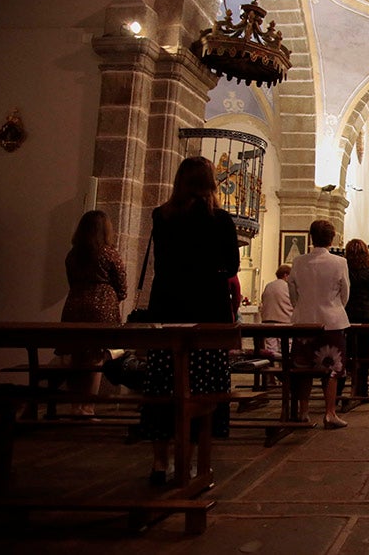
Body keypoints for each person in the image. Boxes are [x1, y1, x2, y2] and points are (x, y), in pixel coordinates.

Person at [141, 156, 240, 486]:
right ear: (210, 183)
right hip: (206, 310)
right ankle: (199, 463)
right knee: (204, 388)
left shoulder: (162, 216)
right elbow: (231, 267)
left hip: (168, 307)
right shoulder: (220, 220)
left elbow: (162, 262)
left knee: (163, 385)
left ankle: (160, 462)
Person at [59, 210, 128, 417]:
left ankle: (75, 406)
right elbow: (122, 284)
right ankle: (88, 407)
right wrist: (114, 295)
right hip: (101, 304)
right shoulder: (108, 253)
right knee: (95, 356)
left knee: (77, 355)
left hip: (75, 303)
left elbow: (71, 280)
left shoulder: (73, 255)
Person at [288, 219, 349, 429]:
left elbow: (292, 293)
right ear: (332, 239)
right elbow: (345, 293)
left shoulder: (298, 262)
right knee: (331, 369)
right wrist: (333, 307)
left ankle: (303, 411)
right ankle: (330, 413)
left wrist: (303, 308)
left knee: (303, 365)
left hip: (303, 321)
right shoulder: (339, 262)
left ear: (311, 237)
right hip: (332, 322)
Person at [344, 238, 369, 399]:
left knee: (344, 353)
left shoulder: (343, 270)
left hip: (345, 315)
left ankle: (339, 389)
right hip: (365, 315)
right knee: (363, 353)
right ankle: (362, 390)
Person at [258, 264, 293, 357]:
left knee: (271, 350)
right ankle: (285, 369)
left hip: (268, 321)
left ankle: (271, 369)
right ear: (286, 275)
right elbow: (294, 303)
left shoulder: (269, 285)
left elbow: (263, 301)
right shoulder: (288, 287)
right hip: (284, 322)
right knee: (286, 349)